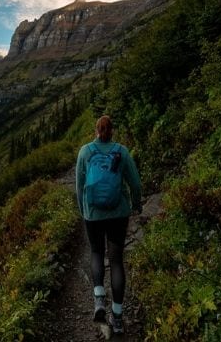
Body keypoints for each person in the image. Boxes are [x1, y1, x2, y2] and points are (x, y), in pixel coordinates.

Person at [75, 114, 142, 335]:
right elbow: (135, 182)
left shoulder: (85, 152)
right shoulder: (122, 152)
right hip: (118, 214)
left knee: (96, 252)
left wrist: (83, 208)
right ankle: (119, 317)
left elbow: (79, 185)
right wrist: (137, 203)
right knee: (115, 261)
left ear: (96, 131)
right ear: (112, 131)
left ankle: (99, 300)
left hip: (93, 214)